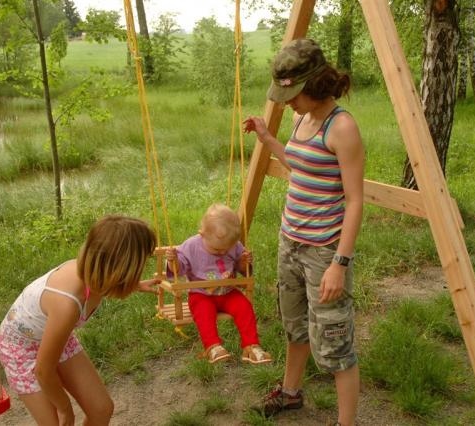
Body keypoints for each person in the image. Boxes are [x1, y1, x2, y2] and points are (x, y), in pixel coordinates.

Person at [243, 38, 364, 426]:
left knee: (335, 342)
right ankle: (290, 393)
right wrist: (267, 138)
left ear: (314, 84)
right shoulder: (301, 119)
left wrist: (339, 264)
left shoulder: (341, 127)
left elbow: (355, 201)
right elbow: (299, 165)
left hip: (323, 252)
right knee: (295, 327)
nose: (287, 102)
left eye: (293, 94)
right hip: (290, 242)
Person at [0, 215, 158, 426]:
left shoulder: (94, 275)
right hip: (20, 349)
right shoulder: (67, 304)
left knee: (101, 409)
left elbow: (102, 284)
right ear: (123, 266)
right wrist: (65, 409)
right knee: (57, 423)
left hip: (53, 336)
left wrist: (133, 285)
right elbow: (43, 370)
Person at [166, 203, 272, 365]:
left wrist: (243, 263)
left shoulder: (234, 245)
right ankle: (213, 347)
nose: (222, 253)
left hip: (228, 292)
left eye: (226, 249)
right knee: (204, 313)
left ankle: (251, 346)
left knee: (245, 307)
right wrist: (172, 261)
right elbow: (178, 270)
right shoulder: (191, 246)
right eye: (217, 250)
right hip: (201, 294)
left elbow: (242, 270)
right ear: (202, 234)